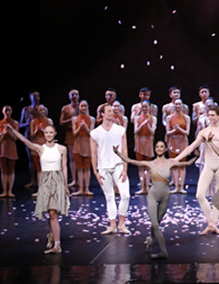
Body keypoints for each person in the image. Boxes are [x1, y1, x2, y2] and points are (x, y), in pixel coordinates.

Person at [113, 140, 198, 258]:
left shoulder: (171, 162)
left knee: (156, 223)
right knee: (155, 225)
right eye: (157, 147)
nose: (159, 148)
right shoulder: (150, 164)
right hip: (152, 196)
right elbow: (130, 161)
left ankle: (150, 239)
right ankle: (163, 251)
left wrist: (197, 156)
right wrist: (117, 152)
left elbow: (187, 164)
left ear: (165, 149)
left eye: (161, 147)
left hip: (165, 196)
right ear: (155, 149)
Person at [7, 124, 70, 254]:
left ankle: (57, 245)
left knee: (53, 213)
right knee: (50, 212)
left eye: (50, 132)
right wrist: (13, 130)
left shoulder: (62, 149)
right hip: (46, 181)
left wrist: (65, 185)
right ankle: (52, 235)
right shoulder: (40, 149)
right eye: (46, 132)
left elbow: (64, 167)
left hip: (57, 180)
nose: (48, 135)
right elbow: (25, 141)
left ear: (55, 133)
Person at [173, 106, 219, 234]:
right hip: (208, 163)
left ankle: (214, 224)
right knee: (200, 194)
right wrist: (176, 159)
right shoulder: (204, 132)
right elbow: (191, 147)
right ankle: (210, 223)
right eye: (209, 115)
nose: (211, 118)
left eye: (213, 115)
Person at [90, 104, 130, 234]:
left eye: (112, 111)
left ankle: (122, 224)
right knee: (109, 197)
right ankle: (112, 225)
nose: (111, 113)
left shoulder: (120, 130)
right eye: (108, 111)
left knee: (125, 195)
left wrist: (125, 168)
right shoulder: (95, 133)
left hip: (118, 166)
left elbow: (124, 150)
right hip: (103, 168)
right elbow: (94, 153)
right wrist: (95, 171)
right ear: (102, 114)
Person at [0, 105, 20, 198]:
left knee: (11, 169)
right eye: (6, 110)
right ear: (2, 111)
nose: (7, 112)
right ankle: (4, 191)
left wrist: (10, 130)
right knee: (4, 170)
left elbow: (15, 137)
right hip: (1, 147)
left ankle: (10, 190)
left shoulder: (15, 123)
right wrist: (2, 132)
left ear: (11, 111)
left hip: (11, 146)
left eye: (9, 110)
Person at [71, 100, 94, 195]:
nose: (83, 108)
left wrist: (85, 126)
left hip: (87, 144)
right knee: (79, 168)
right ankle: (80, 188)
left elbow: (91, 133)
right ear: (79, 107)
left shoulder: (91, 119)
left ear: (87, 107)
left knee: (87, 168)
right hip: (78, 144)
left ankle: (87, 188)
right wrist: (80, 127)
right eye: (82, 106)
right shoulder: (74, 119)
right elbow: (74, 133)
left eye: (85, 106)